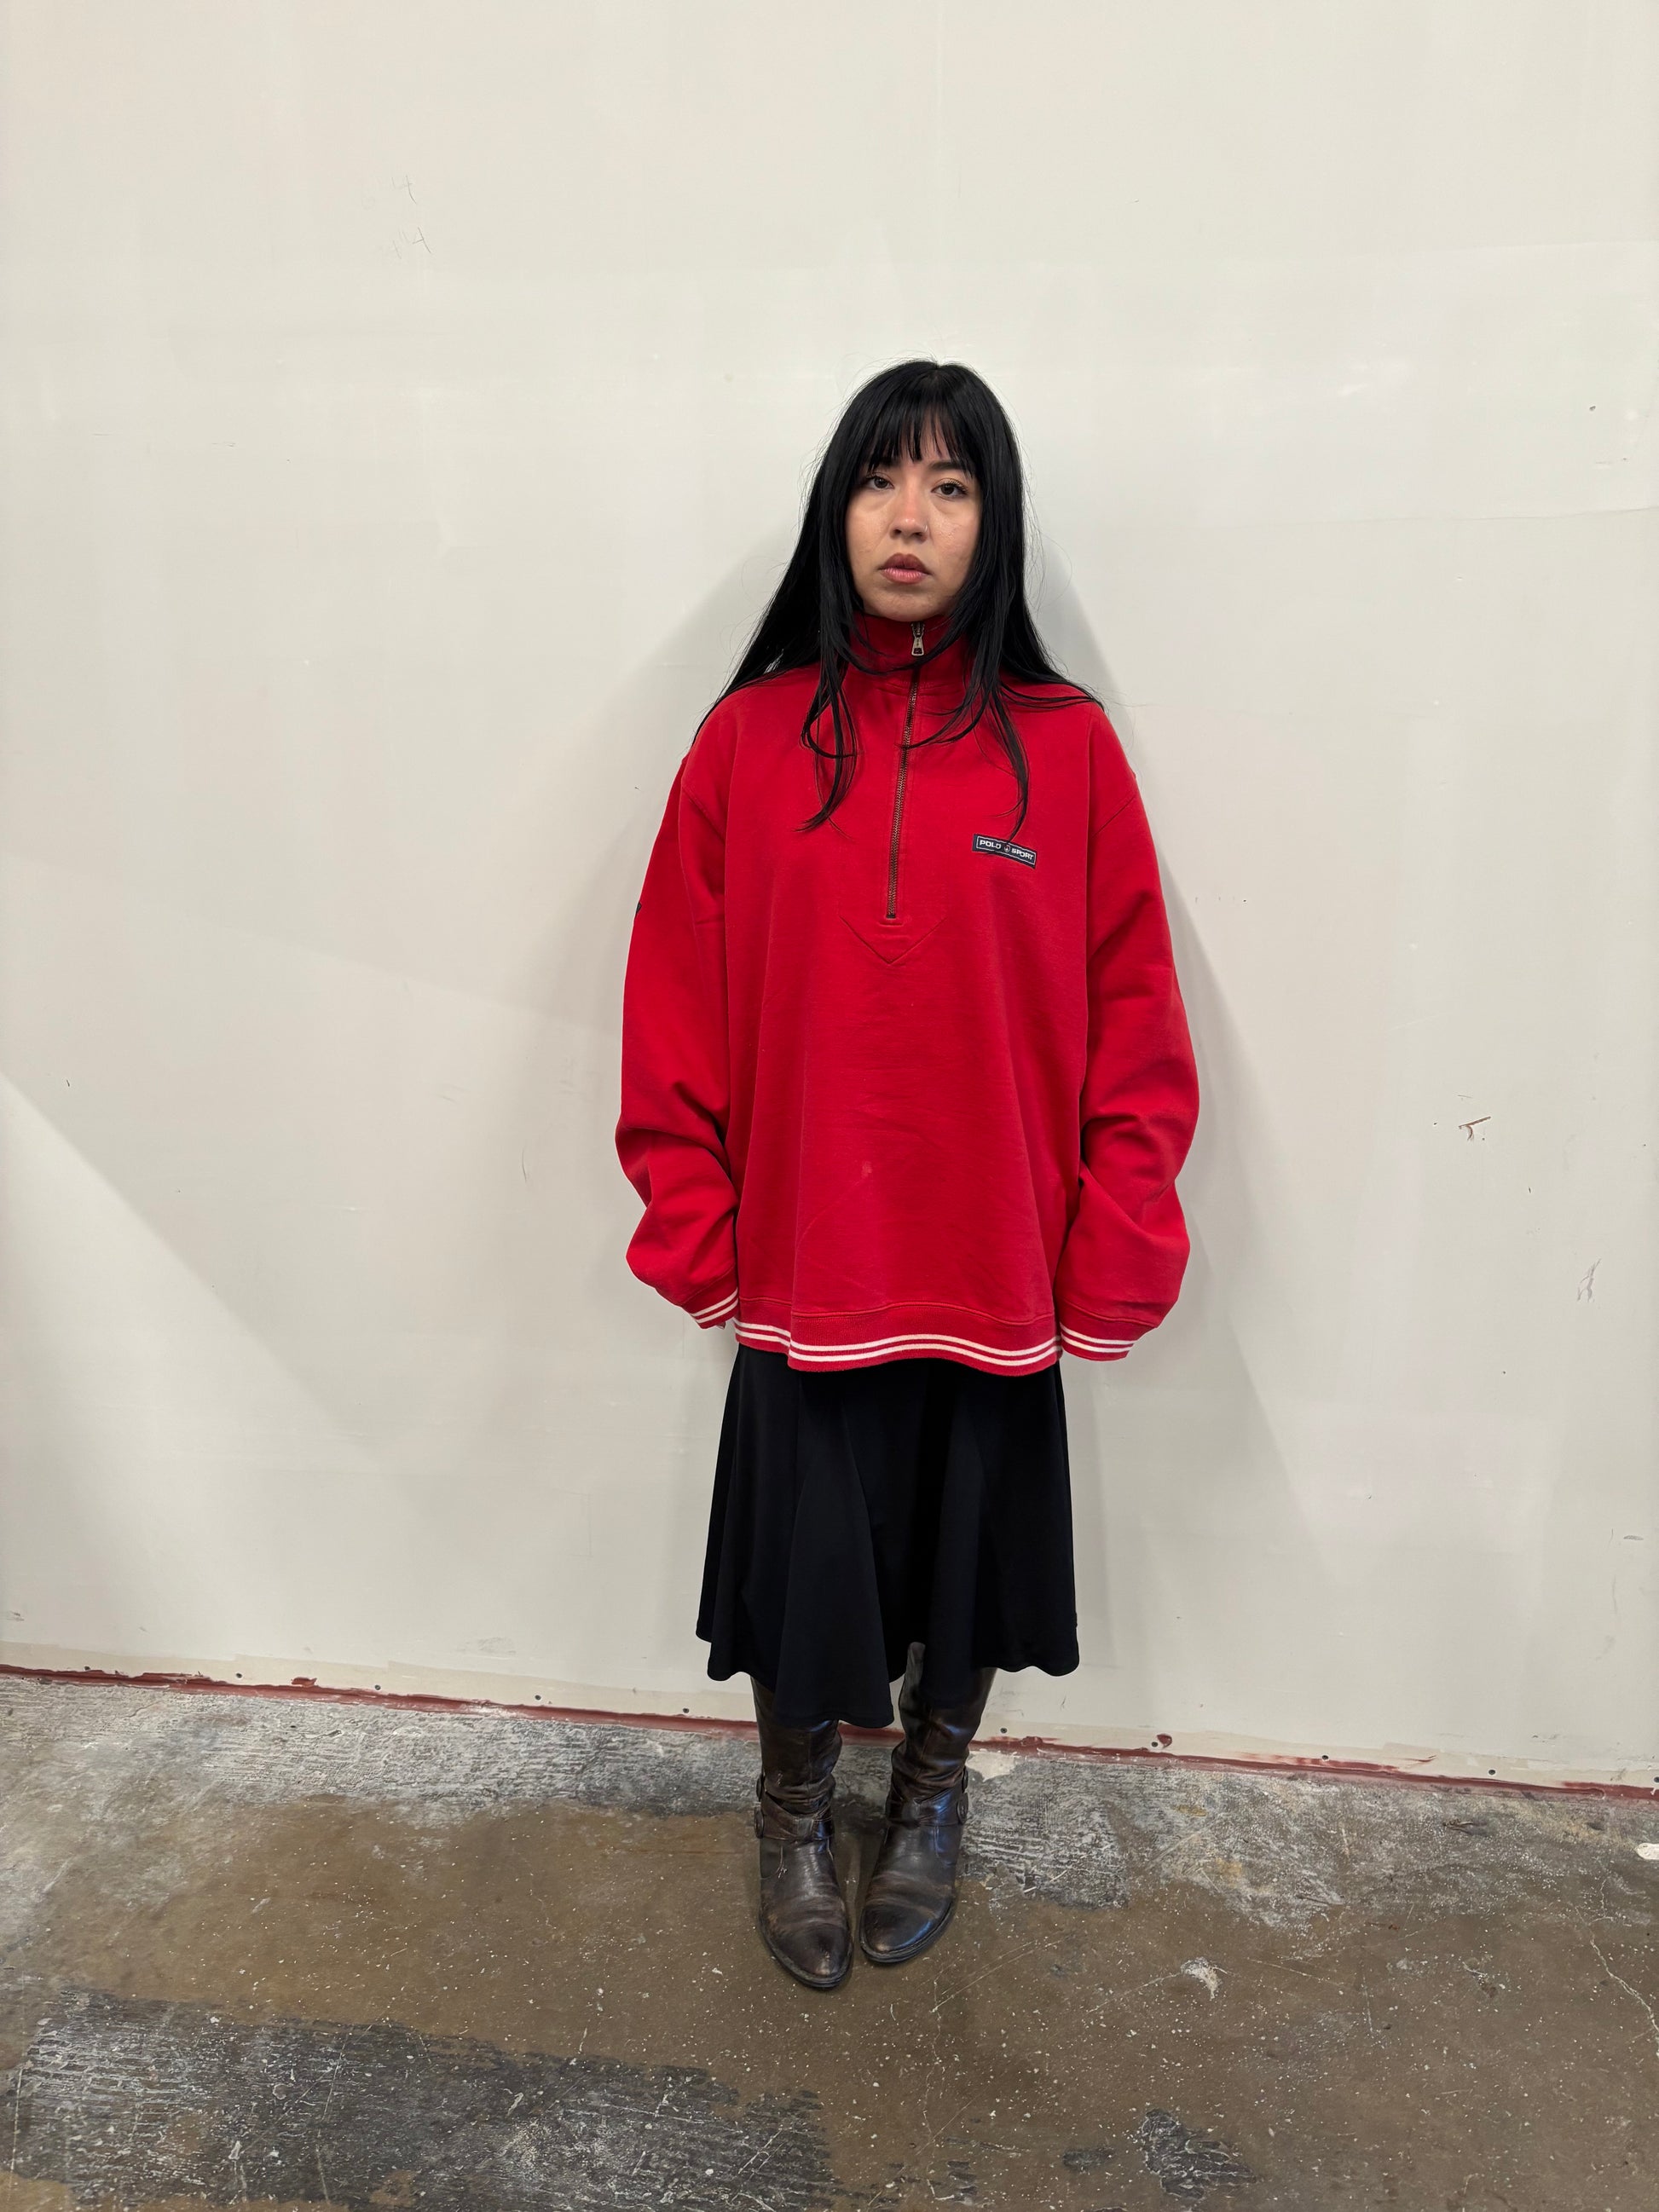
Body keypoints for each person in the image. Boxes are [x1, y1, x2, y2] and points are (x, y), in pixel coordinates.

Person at [616, 360, 1199, 1991]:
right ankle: (793, 1811)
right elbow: (668, 1002)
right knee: (802, 1571)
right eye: (882, 479)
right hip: (806, 1266)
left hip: (997, 1261)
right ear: (837, 507)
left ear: (992, 526)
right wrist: (695, 1223)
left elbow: (1135, 1015)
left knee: (966, 1565)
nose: (910, 517)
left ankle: (929, 1797)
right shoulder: (745, 742)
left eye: (951, 486)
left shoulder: (1068, 754)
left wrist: (1119, 1240)